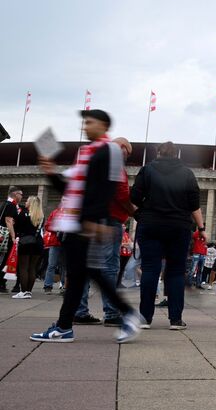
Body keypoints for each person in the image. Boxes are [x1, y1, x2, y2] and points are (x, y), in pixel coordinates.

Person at [30, 109, 142, 344]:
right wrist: (51, 173)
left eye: (89, 122)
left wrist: (94, 219)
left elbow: (109, 188)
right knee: (82, 274)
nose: (85, 126)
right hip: (75, 221)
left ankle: (123, 315)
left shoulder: (109, 150)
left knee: (89, 273)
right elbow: (69, 187)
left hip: (87, 222)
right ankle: (64, 326)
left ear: (102, 125)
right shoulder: (86, 152)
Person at [132, 141, 203, 330]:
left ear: (158, 153)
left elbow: (134, 199)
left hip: (151, 224)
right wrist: (201, 228)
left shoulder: (146, 171)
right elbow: (194, 204)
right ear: (176, 154)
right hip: (178, 226)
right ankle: (175, 319)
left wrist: (140, 215)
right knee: (176, 271)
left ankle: (145, 318)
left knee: (150, 270)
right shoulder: (187, 173)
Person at [73, 136, 135, 326]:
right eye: (128, 153)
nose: (126, 157)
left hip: (87, 219)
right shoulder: (114, 161)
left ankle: (79, 311)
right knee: (109, 266)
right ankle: (111, 313)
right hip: (108, 220)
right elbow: (123, 194)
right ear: (123, 148)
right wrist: (135, 212)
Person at [11, 195, 44, 299]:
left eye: (27, 201)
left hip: (25, 242)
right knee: (32, 268)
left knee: (23, 267)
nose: (25, 203)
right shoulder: (41, 216)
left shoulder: (23, 213)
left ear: (30, 203)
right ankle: (29, 292)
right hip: (38, 242)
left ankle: (23, 291)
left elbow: (16, 227)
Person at [0, 186, 24, 293]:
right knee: (4, 259)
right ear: (15, 194)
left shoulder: (5, 204)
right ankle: (1, 282)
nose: (22, 196)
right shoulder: (11, 205)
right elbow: (8, 221)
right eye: (21, 194)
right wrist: (13, 236)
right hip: (5, 236)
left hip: (3, 234)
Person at [42, 207, 65, 293]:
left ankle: (64, 286)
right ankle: (48, 286)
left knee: (64, 266)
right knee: (51, 264)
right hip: (55, 242)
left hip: (66, 243)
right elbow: (47, 225)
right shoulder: (55, 212)